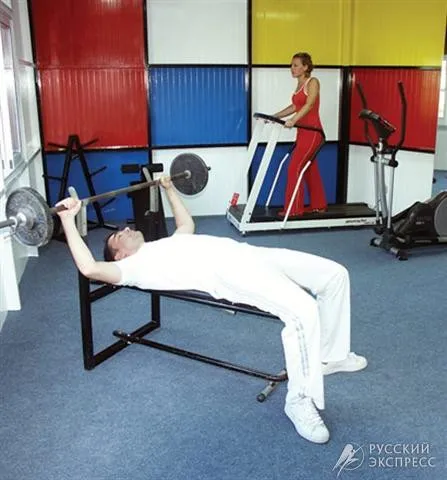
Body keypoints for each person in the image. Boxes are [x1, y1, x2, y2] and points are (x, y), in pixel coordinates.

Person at [56, 177, 367, 445]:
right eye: (118, 236)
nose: (125, 228)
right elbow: (89, 268)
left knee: (335, 275)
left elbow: (186, 225)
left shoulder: (162, 245)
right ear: (118, 255)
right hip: (236, 275)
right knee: (303, 312)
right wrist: (68, 220)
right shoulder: (130, 269)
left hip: (251, 254)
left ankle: (330, 355)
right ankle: (299, 400)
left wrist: (169, 189)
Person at [273, 52, 327, 217]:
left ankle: (294, 209)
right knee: (309, 169)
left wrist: (293, 120)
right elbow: (294, 106)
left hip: (313, 132)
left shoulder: (313, 82)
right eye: (292, 65)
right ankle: (319, 205)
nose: (292, 68)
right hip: (302, 133)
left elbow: (309, 105)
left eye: (296, 65)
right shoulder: (298, 86)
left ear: (305, 67)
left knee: (294, 168)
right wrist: (275, 116)